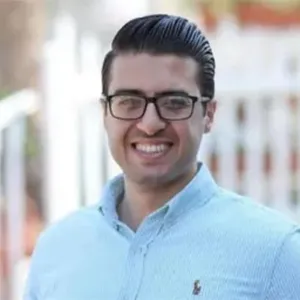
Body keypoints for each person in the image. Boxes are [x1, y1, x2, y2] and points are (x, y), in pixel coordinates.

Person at [24, 14, 300, 300]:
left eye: (174, 103)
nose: (150, 124)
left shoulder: (275, 254)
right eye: (129, 102)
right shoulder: (57, 249)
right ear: (105, 113)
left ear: (208, 114)